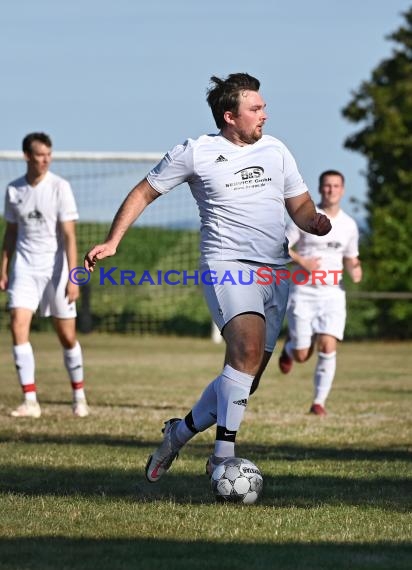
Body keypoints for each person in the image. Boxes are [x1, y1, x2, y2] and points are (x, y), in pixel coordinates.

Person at [84, 72, 331, 481]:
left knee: (245, 380)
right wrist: (113, 241)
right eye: (256, 109)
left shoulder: (276, 150)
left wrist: (315, 222)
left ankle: (177, 433)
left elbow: (300, 205)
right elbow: (144, 191)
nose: (265, 115)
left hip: (276, 271)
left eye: (264, 107)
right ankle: (222, 458)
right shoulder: (195, 152)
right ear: (230, 116)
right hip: (227, 266)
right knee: (246, 351)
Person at [0, 132, 89, 418]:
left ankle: (79, 395)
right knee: (17, 325)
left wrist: (73, 277)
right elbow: (11, 234)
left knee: (66, 336)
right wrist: (3, 268)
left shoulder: (60, 187)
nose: (45, 160)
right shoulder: (13, 190)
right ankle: (30, 401)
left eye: (49, 154)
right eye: (40, 155)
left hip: (57, 271)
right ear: (27, 156)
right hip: (24, 268)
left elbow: (70, 236)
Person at [278, 169, 362, 416]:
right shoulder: (307, 219)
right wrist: (302, 262)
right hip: (303, 292)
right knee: (303, 354)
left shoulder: (349, 225)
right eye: (327, 186)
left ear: (343, 190)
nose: (331, 190)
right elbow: (281, 244)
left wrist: (355, 269)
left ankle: (318, 403)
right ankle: (291, 348)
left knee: (327, 346)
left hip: (333, 294)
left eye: (336, 186)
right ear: (320, 188)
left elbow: (351, 257)